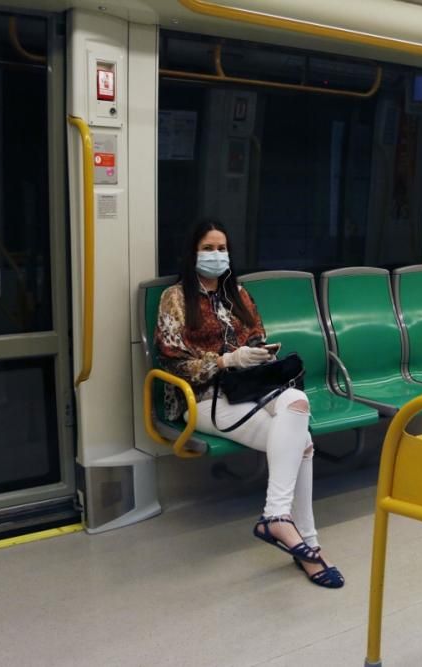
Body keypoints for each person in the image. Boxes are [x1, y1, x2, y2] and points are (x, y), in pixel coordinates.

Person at [155, 220, 344, 589]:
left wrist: (258, 354)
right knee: (302, 443)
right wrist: (225, 361)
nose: (216, 255)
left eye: (221, 248)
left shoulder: (239, 294)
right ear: (192, 253)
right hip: (207, 399)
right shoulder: (175, 299)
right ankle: (309, 545)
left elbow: (257, 337)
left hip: (253, 391)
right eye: (208, 248)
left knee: (296, 400)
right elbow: (172, 360)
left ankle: (277, 518)